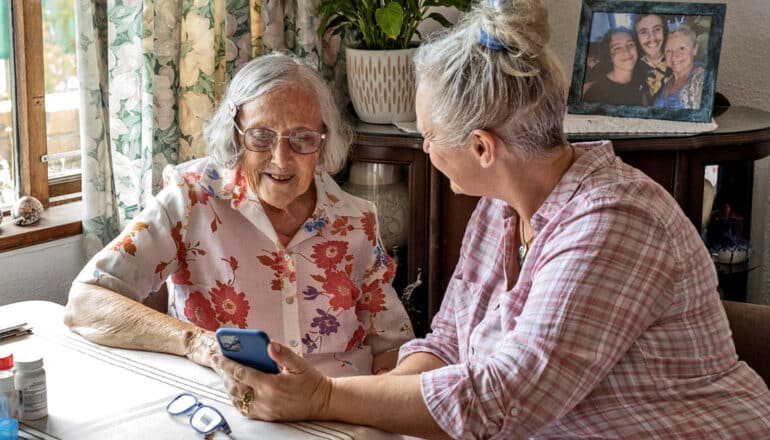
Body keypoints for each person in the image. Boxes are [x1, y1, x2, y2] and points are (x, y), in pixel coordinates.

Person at [212, 1, 770, 438]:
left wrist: (328, 399)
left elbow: (505, 399)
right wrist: (364, 417)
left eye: (427, 135)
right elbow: (451, 341)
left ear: (482, 148)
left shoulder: (615, 221)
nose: (424, 147)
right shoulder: (501, 208)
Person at [63, 53, 414, 379]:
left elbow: (393, 348)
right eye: (260, 137)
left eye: (302, 138)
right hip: (229, 409)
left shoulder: (356, 220)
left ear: (323, 140)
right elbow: (86, 300)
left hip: (339, 410)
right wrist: (194, 342)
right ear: (235, 134)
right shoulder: (191, 201)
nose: (281, 158)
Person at [582, 27, 645, 106]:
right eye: (617, 48)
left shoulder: (643, 77)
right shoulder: (596, 93)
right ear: (609, 55)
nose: (626, 51)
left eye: (630, 44)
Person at [654, 22, 706, 109]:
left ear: (695, 49)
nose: (674, 56)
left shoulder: (702, 80)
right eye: (669, 51)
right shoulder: (667, 79)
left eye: (681, 48)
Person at [634, 13, 671, 104]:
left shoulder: (677, 59)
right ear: (636, 37)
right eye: (643, 32)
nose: (652, 37)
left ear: (664, 31)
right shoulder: (632, 65)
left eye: (657, 29)